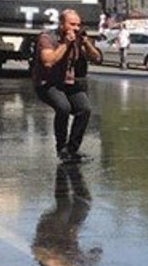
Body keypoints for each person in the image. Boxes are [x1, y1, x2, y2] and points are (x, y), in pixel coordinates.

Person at [32, 9, 101, 163]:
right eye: (72, 24)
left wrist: (86, 43)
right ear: (61, 24)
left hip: (67, 82)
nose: (76, 28)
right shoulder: (47, 38)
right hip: (46, 83)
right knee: (63, 108)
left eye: (78, 24)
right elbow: (49, 61)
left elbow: (96, 58)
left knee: (84, 109)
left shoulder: (78, 38)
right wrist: (65, 44)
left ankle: (72, 149)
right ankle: (61, 148)